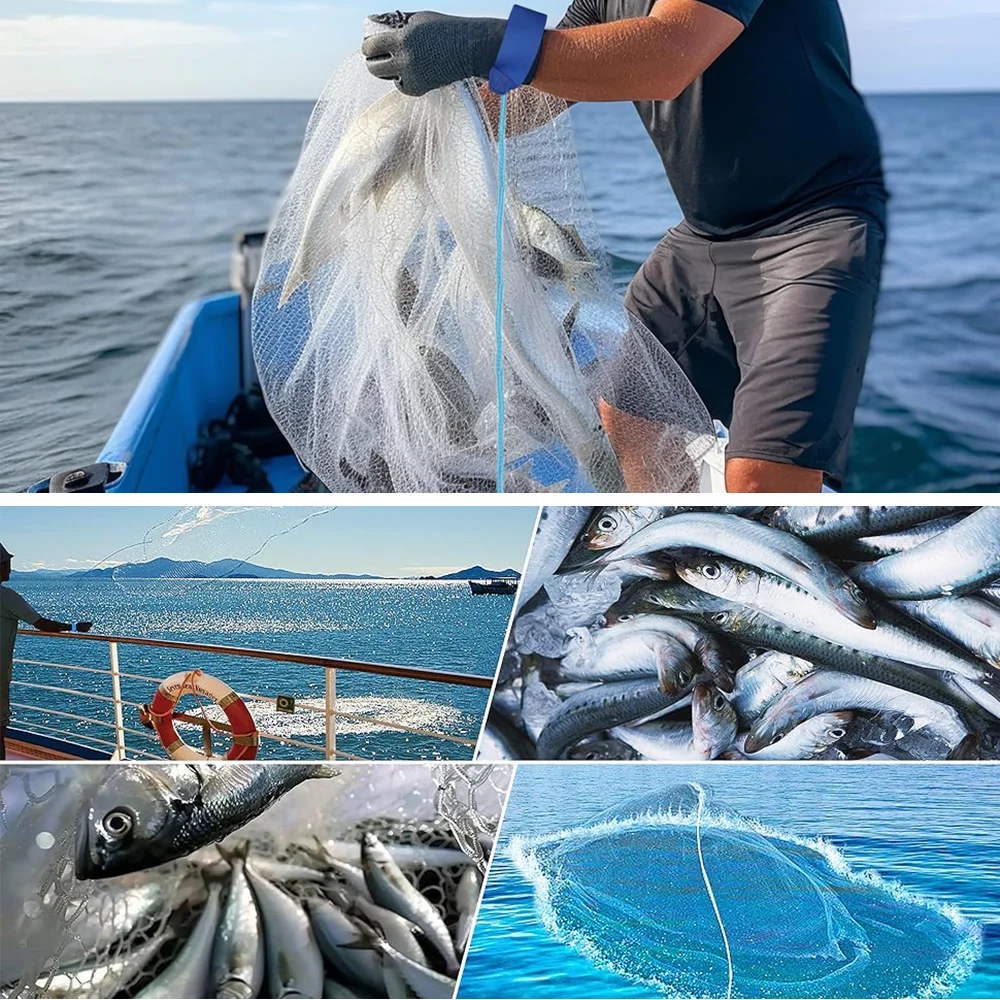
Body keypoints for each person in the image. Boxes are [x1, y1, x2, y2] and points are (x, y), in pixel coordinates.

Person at [363, 0, 888, 493]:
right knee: (629, 409)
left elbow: (664, 55)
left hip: (812, 225)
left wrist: (487, 42)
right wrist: (417, 130)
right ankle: (668, 544)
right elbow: (536, 88)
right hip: (703, 233)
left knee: (761, 475)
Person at [0, 543, 92, 759]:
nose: (10, 570)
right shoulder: (7, 596)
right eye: (7, 564)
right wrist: (74, 627)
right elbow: (41, 623)